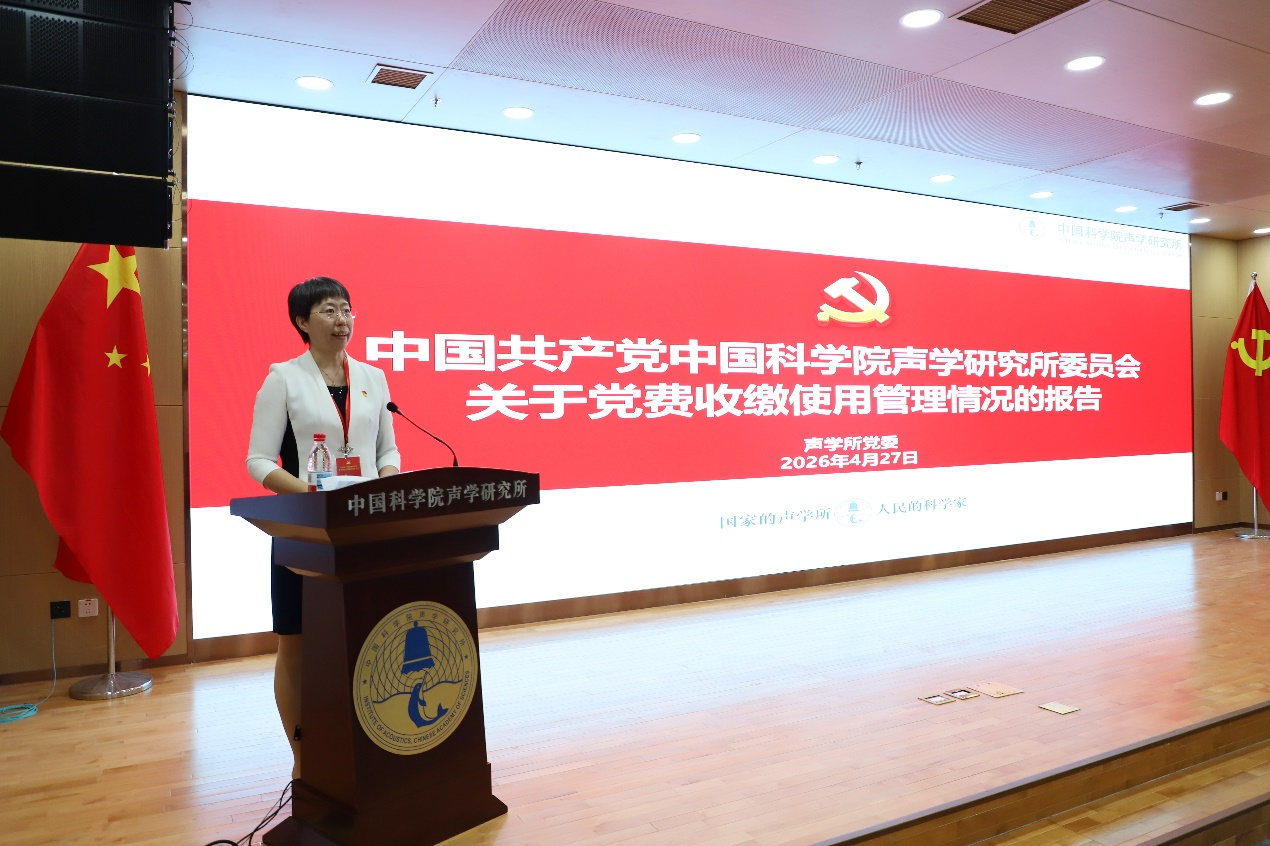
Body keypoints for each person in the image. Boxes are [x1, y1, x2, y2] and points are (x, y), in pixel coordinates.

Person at [245, 276, 400, 778]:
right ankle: (304, 760)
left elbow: (387, 451)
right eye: (329, 310)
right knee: (296, 642)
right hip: (304, 532)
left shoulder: (374, 378)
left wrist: (386, 487)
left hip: (364, 531)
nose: (342, 319)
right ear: (302, 322)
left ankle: (370, 747)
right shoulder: (283, 379)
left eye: (347, 309)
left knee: (367, 637)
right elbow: (258, 461)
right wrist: (311, 498)